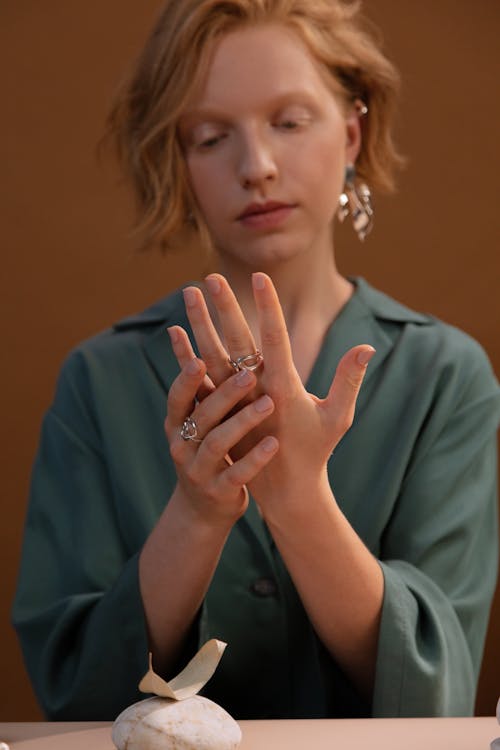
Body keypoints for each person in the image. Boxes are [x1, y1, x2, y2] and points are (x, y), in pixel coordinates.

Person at [12, 0, 500, 722]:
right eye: (210, 138)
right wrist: (197, 513)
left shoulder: (447, 376)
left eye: (290, 122)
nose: (257, 166)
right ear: (178, 162)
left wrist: (299, 500)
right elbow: (72, 691)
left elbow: (437, 693)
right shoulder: (98, 382)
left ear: (352, 134)